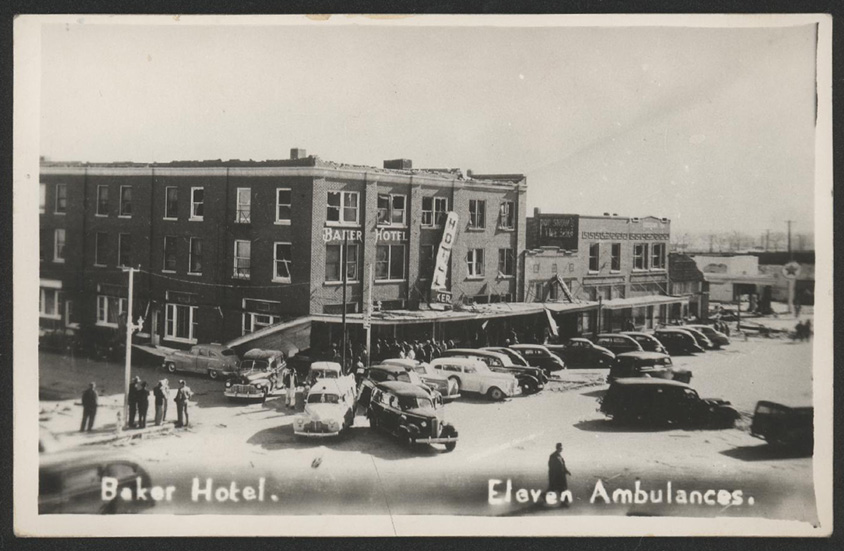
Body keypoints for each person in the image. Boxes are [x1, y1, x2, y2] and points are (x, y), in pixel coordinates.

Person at [548, 443, 572, 507]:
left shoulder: (560, 456)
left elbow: (563, 465)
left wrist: (567, 471)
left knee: (557, 488)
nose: (561, 449)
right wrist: (554, 476)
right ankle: (564, 503)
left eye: (562, 448)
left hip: (561, 475)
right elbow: (551, 466)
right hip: (557, 476)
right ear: (557, 448)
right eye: (560, 447)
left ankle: (564, 502)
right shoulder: (553, 456)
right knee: (561, 489)